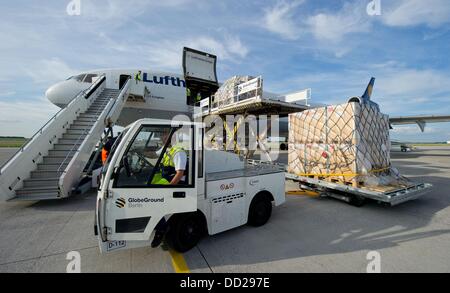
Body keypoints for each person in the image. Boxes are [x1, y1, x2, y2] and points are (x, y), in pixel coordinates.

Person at [151, 128, 188, 247]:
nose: (163, 137)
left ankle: (162, 227)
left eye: (165, 134)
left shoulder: (178, 152)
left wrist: (169, 189)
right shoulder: (166, 149)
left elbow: (180, 173)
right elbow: (154, 154)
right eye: (162, 134)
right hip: (166, 178)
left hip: (176, 182)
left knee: (152, 199)